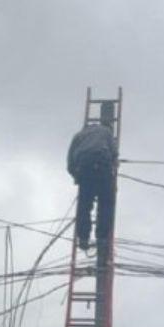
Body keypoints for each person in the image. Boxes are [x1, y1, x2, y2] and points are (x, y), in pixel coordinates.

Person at [66, 102, 118, 256]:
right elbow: (114, 154)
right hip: (102, 165)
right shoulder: (106, 132)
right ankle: (102, 238)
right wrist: (113, 167)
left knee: (84, 205)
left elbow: (69, 162)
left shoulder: (79, 135)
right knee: (106, 203)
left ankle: (83, 238)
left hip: (85, 168)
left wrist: (76, 176)